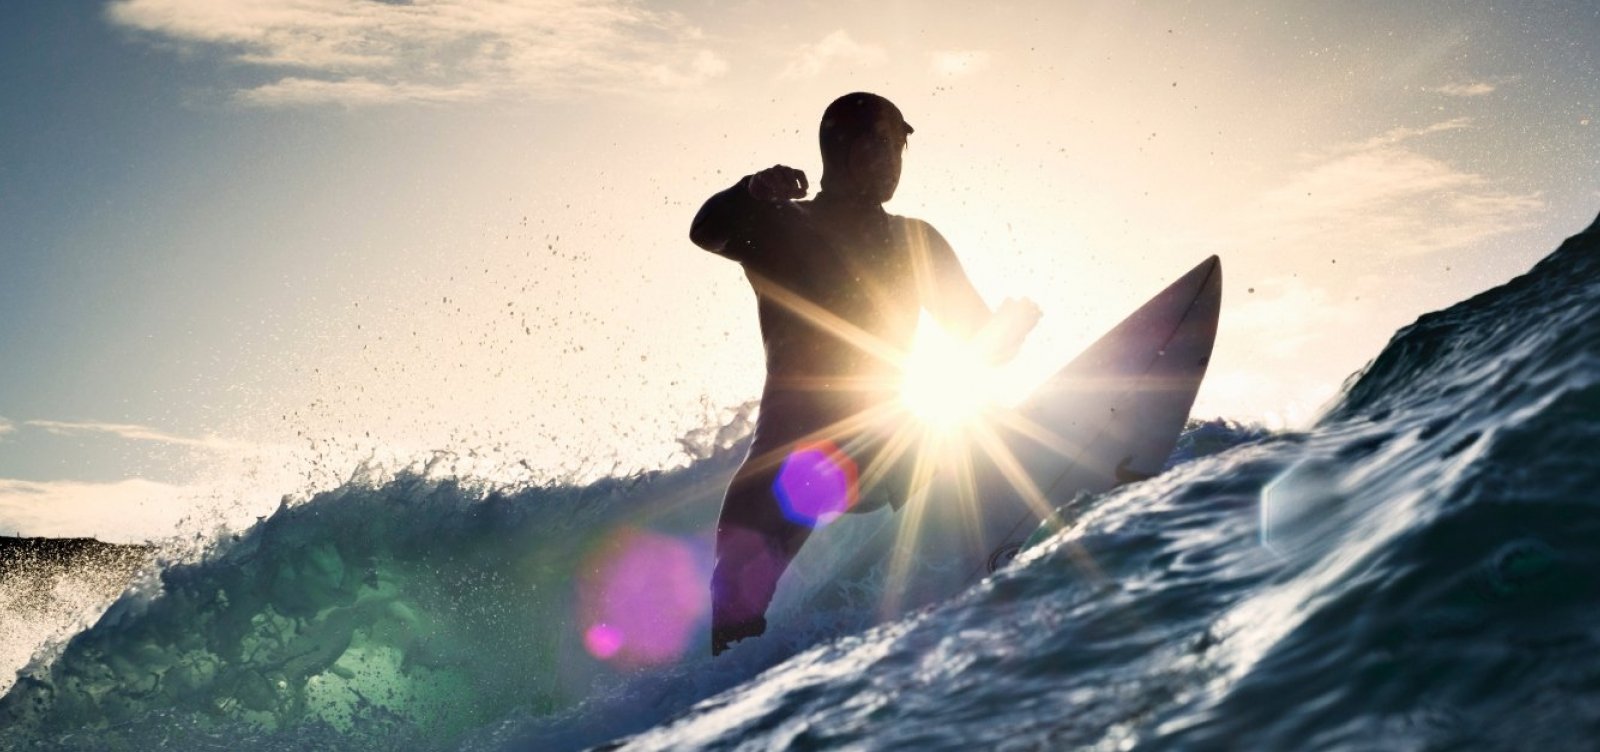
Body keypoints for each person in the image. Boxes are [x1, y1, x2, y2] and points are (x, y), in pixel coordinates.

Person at [689, 92, 1041, 655]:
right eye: (885, 144)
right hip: (792, 457)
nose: (895, 160)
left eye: (900, 146)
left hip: (888, 441)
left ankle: (991, 544)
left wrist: (1012, 328)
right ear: (849, 149)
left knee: (976, 436)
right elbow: (707, 229)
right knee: (732, 616)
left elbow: (980, 345)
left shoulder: (915, 241)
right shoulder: (781, 225)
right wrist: (751, 189)